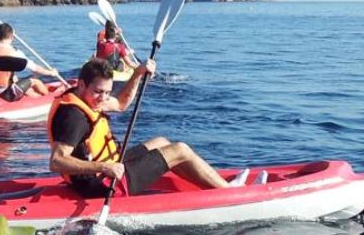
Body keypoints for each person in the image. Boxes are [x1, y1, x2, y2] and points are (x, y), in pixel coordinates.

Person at [48, 58, 232, 197]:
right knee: (180, 149)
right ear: (81, 85)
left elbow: (121, 103)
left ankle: (208, 183)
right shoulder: (74, 117)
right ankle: (229, 193)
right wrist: (104, 167)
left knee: (161, 142)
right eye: (98, 92)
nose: (103, 98)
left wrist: (137, 73)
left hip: (108, 167)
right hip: (100, 184)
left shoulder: (89, 99)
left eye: (106, 92)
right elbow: (56, 161)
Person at [0, 23, 56, 101]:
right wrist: (51, 73)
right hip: (5, 93)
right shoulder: (15, 53)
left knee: (23, 86)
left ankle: (36, 98)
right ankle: (49, 99)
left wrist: (0, 35)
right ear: (12, 37)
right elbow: (35, 68)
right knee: (36, 81)